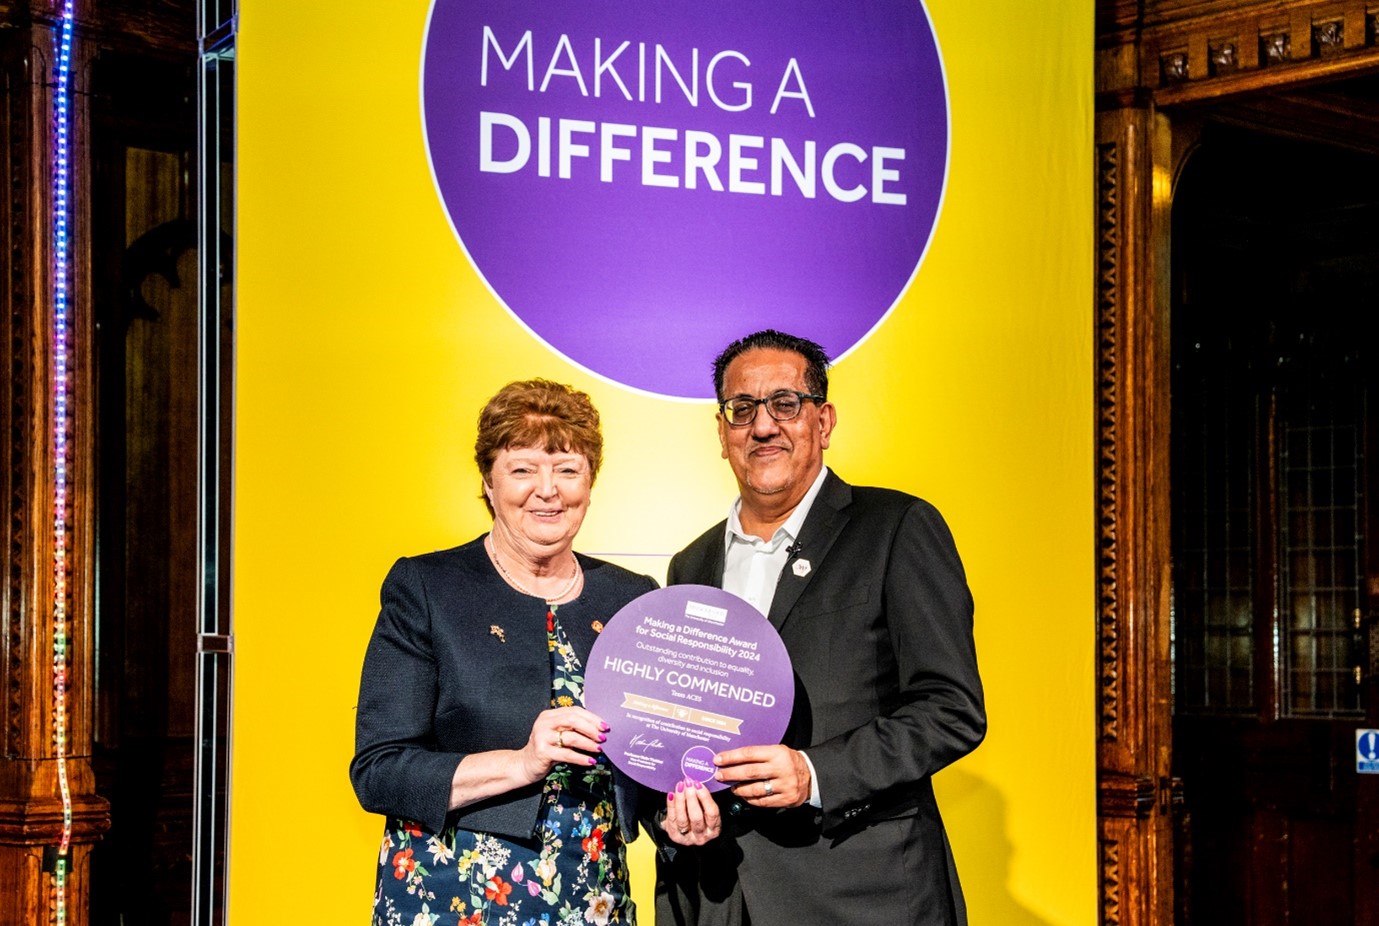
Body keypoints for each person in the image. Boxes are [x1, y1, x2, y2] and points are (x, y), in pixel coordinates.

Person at [655, 330, 986, 926]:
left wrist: (814, 773)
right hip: (723, 894)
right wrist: (676, 810)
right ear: (722, 431)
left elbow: (950, 708)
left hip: (863, 893)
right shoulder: (691, 564)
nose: (763, 426)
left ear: (824, 422)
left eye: (786, 403)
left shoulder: (896, 528)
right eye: (742, 408)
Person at [350, 379, 658, 925]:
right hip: (454, 896)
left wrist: (678, 819)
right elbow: (380, 771)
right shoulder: (427, 587)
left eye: (567, 469)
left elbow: (651, 760)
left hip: (592, 897)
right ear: (488, 483)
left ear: (590, 482)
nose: (548, 490)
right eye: (523, 469)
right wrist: (522, 763)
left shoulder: (633, 597)